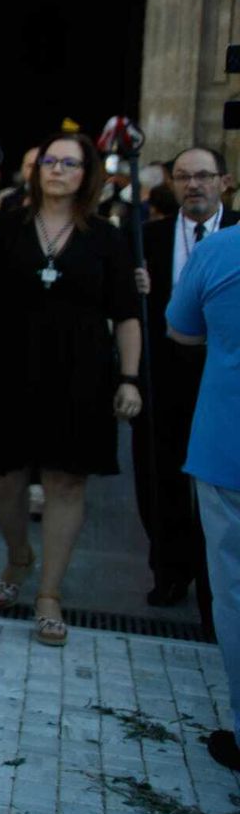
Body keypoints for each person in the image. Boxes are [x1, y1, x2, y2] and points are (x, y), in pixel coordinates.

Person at [0, 132, 141, 648]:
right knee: (0, 478)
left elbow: (125, 314)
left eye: (70, 163)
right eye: (49, 161)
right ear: (35, 171)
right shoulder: (8, 229)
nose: (57, 170)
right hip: (8, 365)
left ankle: (49, 594)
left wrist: (129, 378)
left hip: (80, 371)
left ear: (87, 175)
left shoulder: (107, 237)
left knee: (66, 482)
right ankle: (19, 554)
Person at [132, 146, 235, 610]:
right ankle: (170, 570)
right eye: (182, 176)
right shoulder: (145, 238)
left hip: (221, 376)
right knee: (158, 476)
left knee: (217, 490)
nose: (193, 185)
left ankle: (216, 586)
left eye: (203, 176)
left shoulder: (234, 235)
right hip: (161, 374)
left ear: (224, 182)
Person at [165, 224, 240, 771]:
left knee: (235, 591)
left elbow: (183, 330)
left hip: (227, 447)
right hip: (224, 446)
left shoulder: (220, 249)